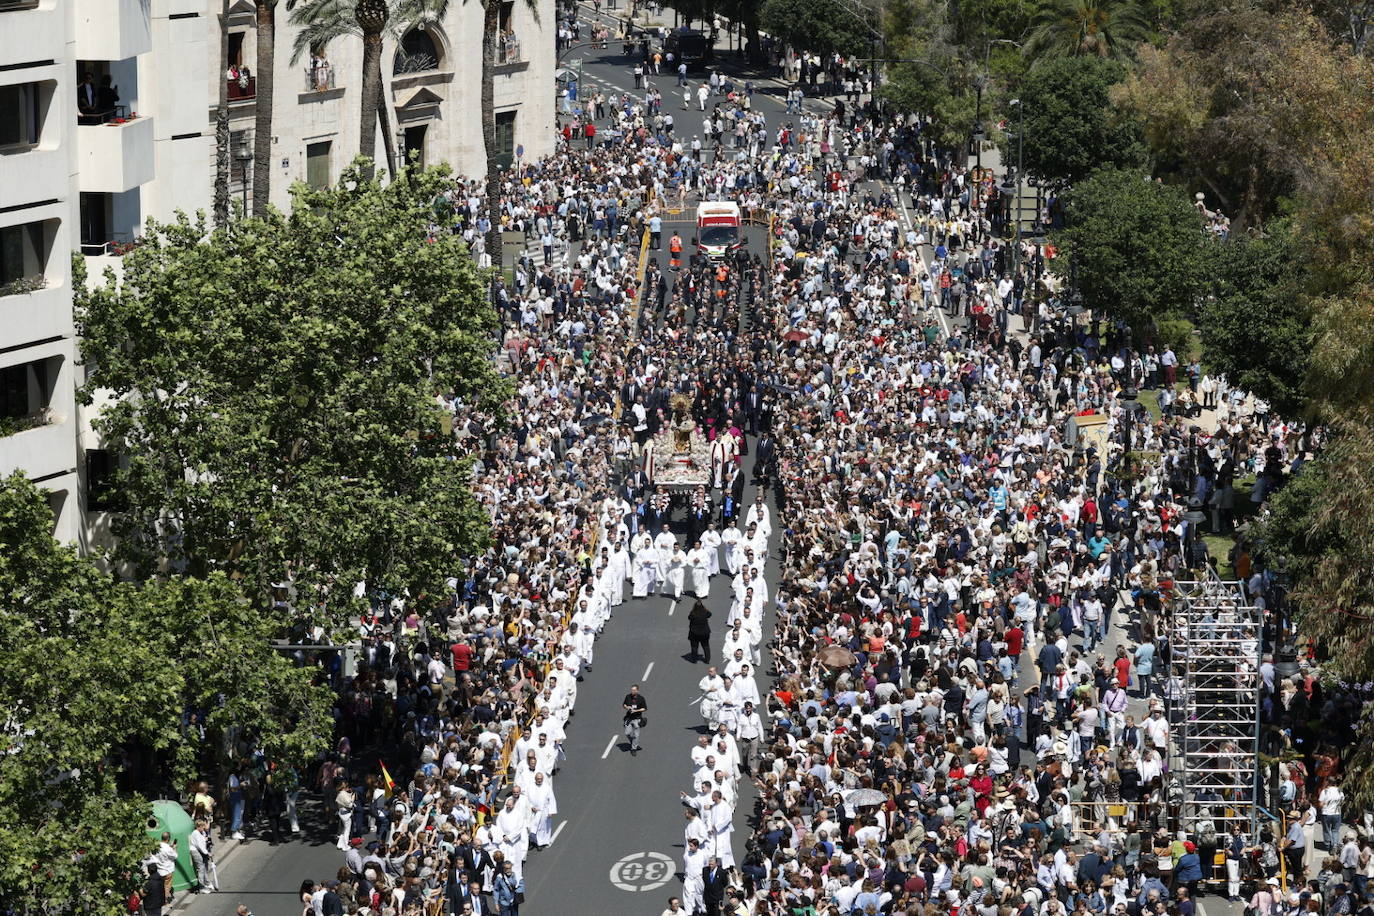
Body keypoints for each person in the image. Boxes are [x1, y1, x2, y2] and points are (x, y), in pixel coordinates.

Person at [623, 683, 647, 754]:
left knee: (636, 735)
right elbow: (624, 704)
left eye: (634, 690)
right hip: (629, 718)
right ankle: (633, 742)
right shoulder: (628, 697)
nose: (632, 691)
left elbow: (644, 708)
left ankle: (634, 748)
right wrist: (627, 707)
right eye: (631, 690)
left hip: (637, 718)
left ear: (637, 691)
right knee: (627, 733)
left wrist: (636, 710)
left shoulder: (641, 699)